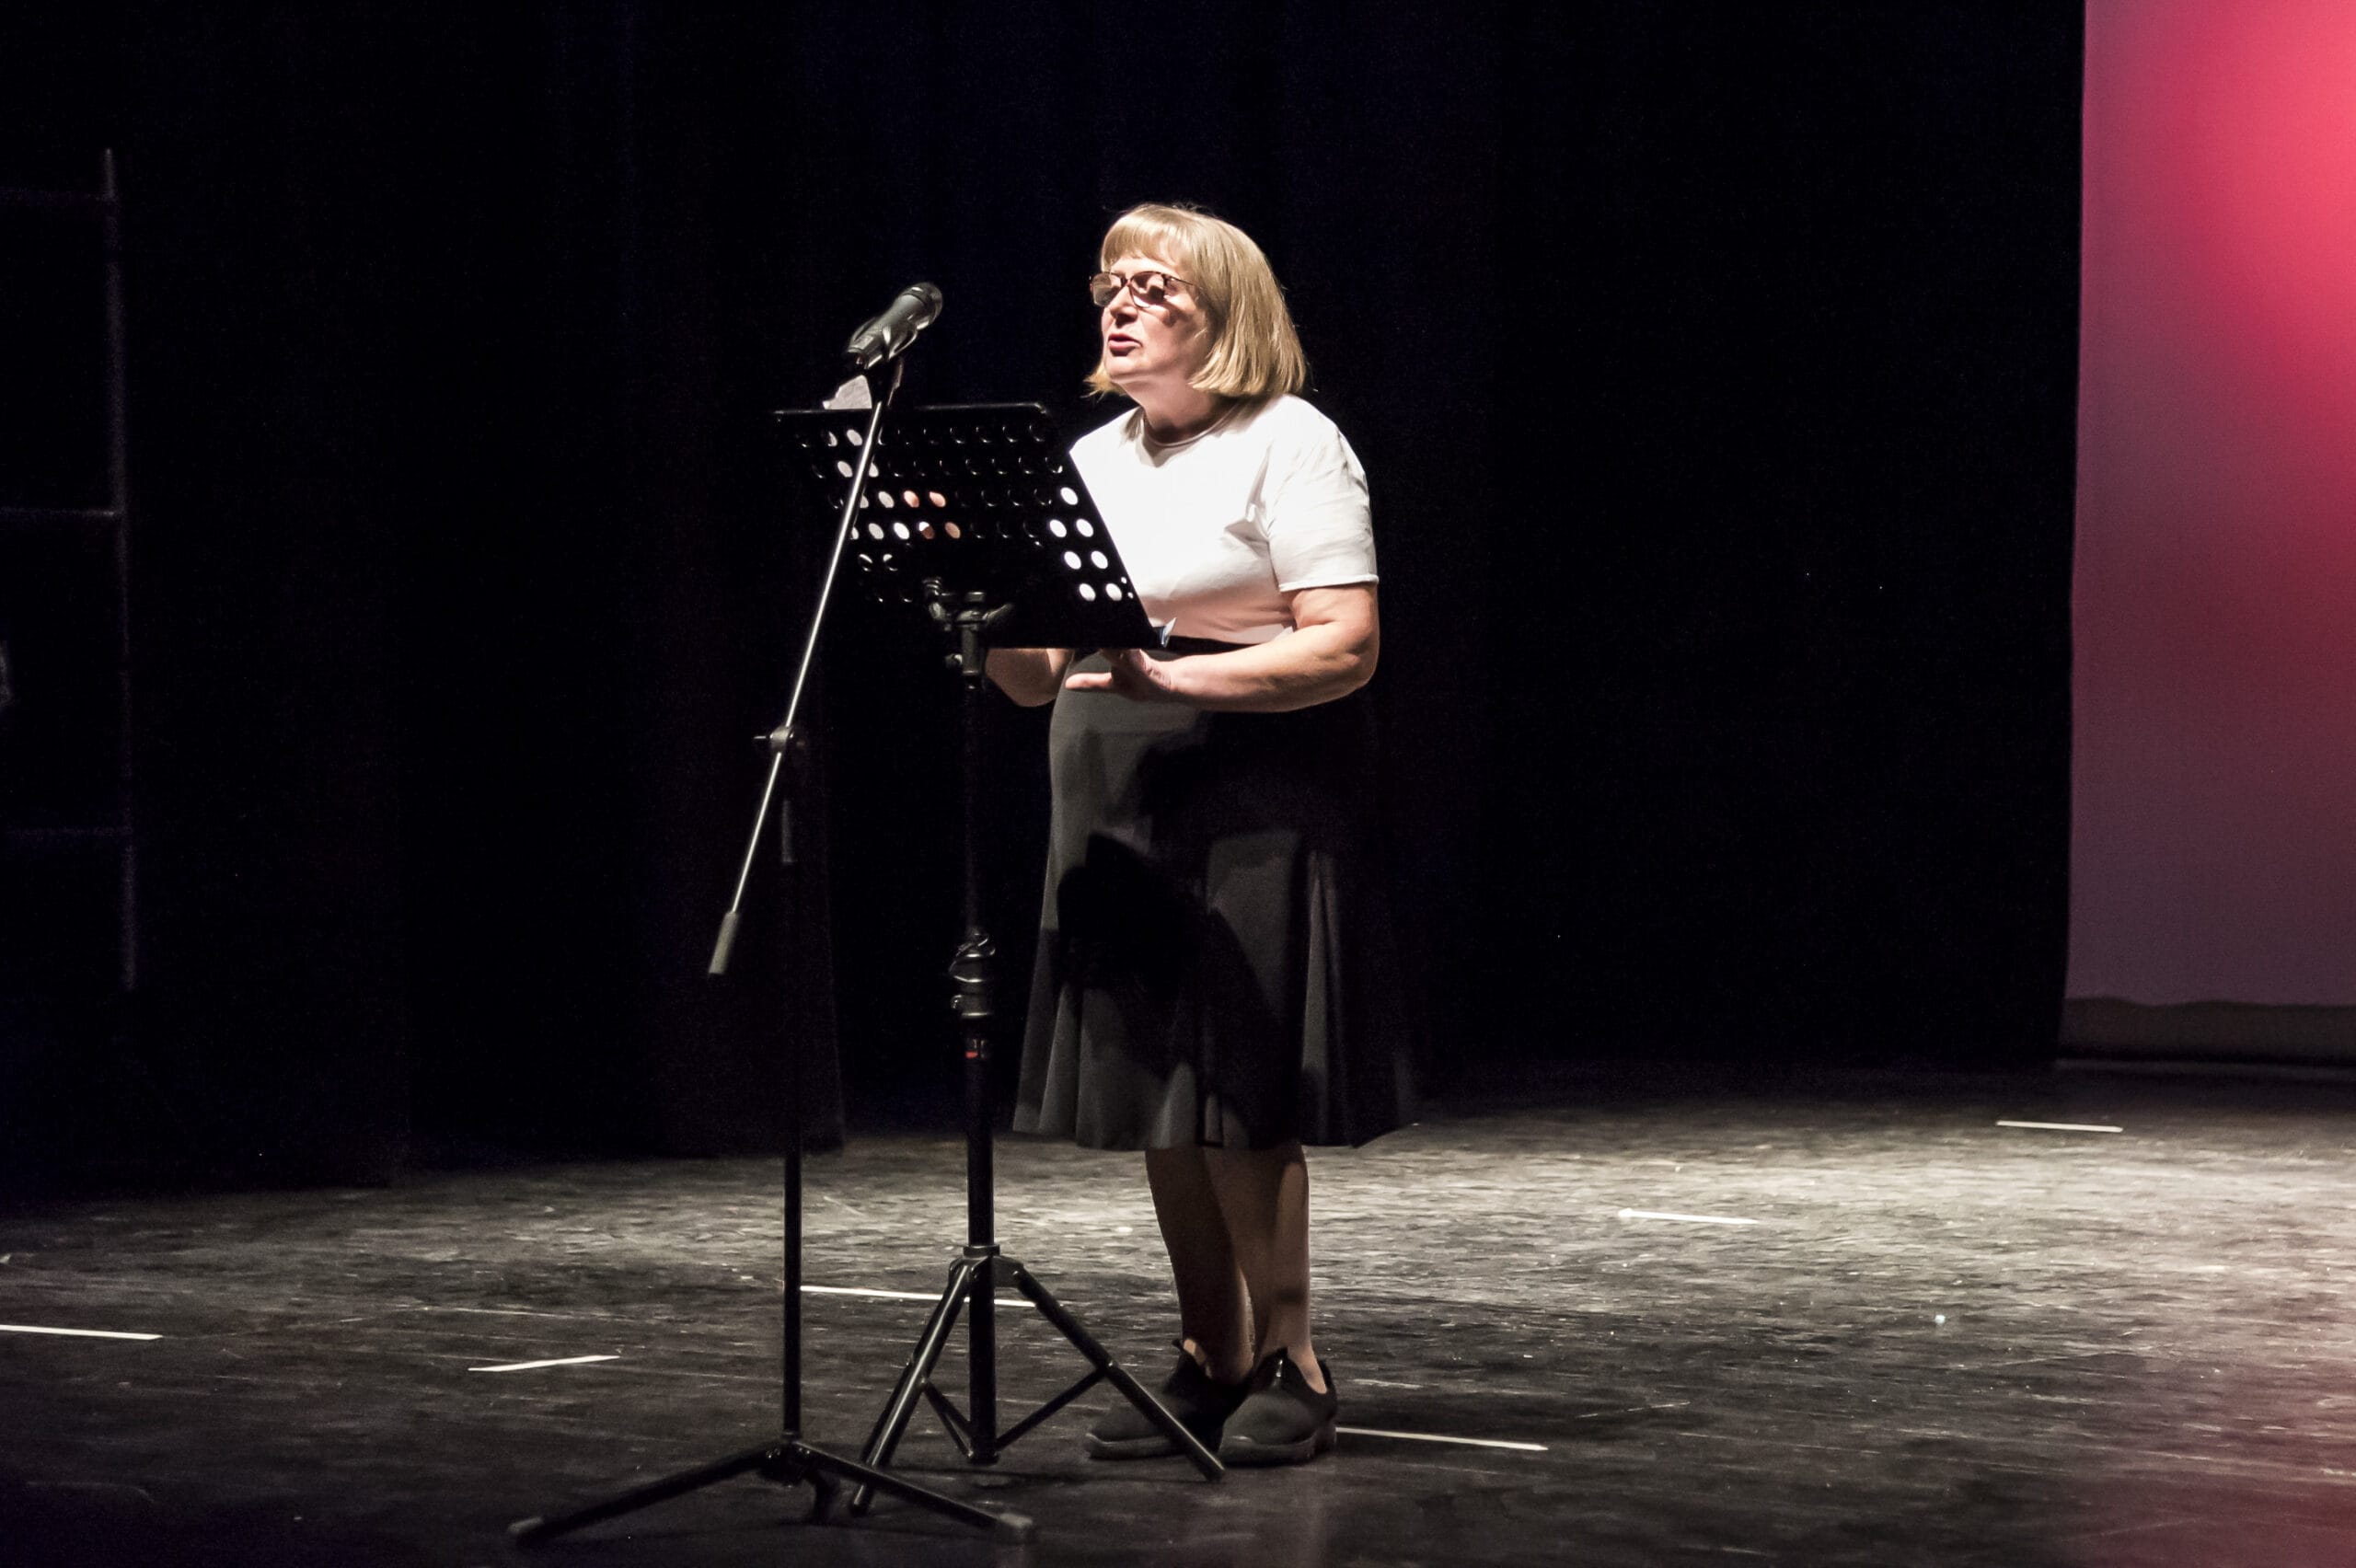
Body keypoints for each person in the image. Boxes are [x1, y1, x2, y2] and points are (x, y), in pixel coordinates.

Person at [988, 202, 1411, 1468]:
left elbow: (1345, 644)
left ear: (1223, 315)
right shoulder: (1094, 458)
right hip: (1111, 795)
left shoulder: (1291, 440)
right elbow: (1031, 678)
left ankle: (1292, 1358)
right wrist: (979, 578)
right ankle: (1208, 1353)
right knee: (1160, 1094)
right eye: (1108, 284)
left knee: (1240, 1088)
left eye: (1153, 286)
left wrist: (1177, 679)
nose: (1119, 304)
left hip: (1248, 789)